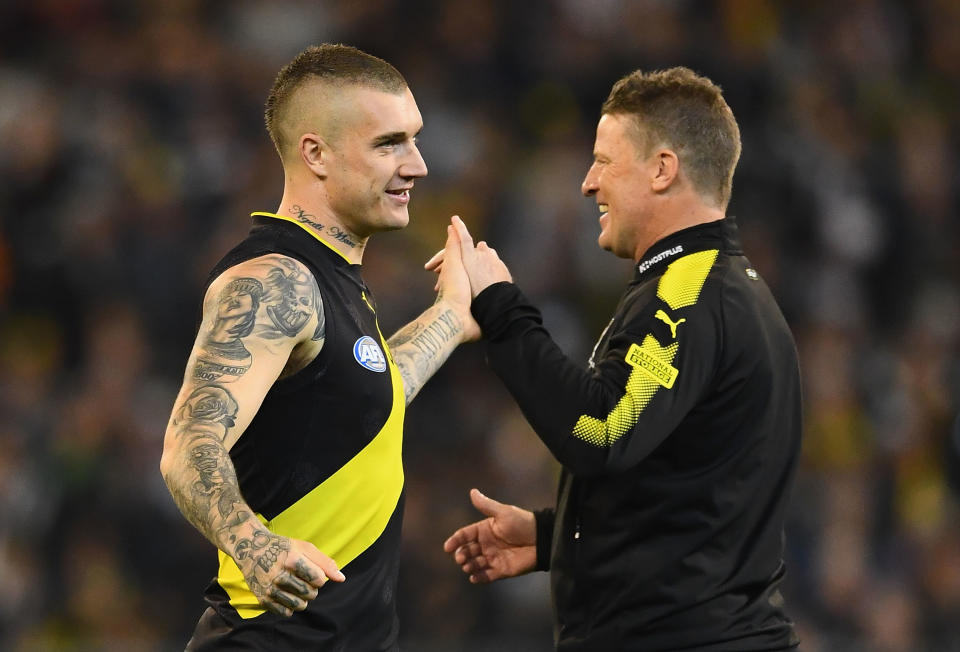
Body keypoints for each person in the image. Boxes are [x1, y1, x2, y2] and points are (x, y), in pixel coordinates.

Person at [440, 67, 802, 650]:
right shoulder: (726, 290)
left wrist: (500, 308)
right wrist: (555, 536)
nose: (587, 183)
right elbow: (696, 492)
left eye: (604, 161)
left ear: (662, 169)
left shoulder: (687, 295)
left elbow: (602, 430)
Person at [159, 44, 477, 651]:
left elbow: (372, 394)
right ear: (316, 154)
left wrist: (451, 316)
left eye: (414, 139)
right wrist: (255, 545)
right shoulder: (276, 279)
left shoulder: (331, 281)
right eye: (389, 144)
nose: (418, 165)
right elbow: (188, 444)